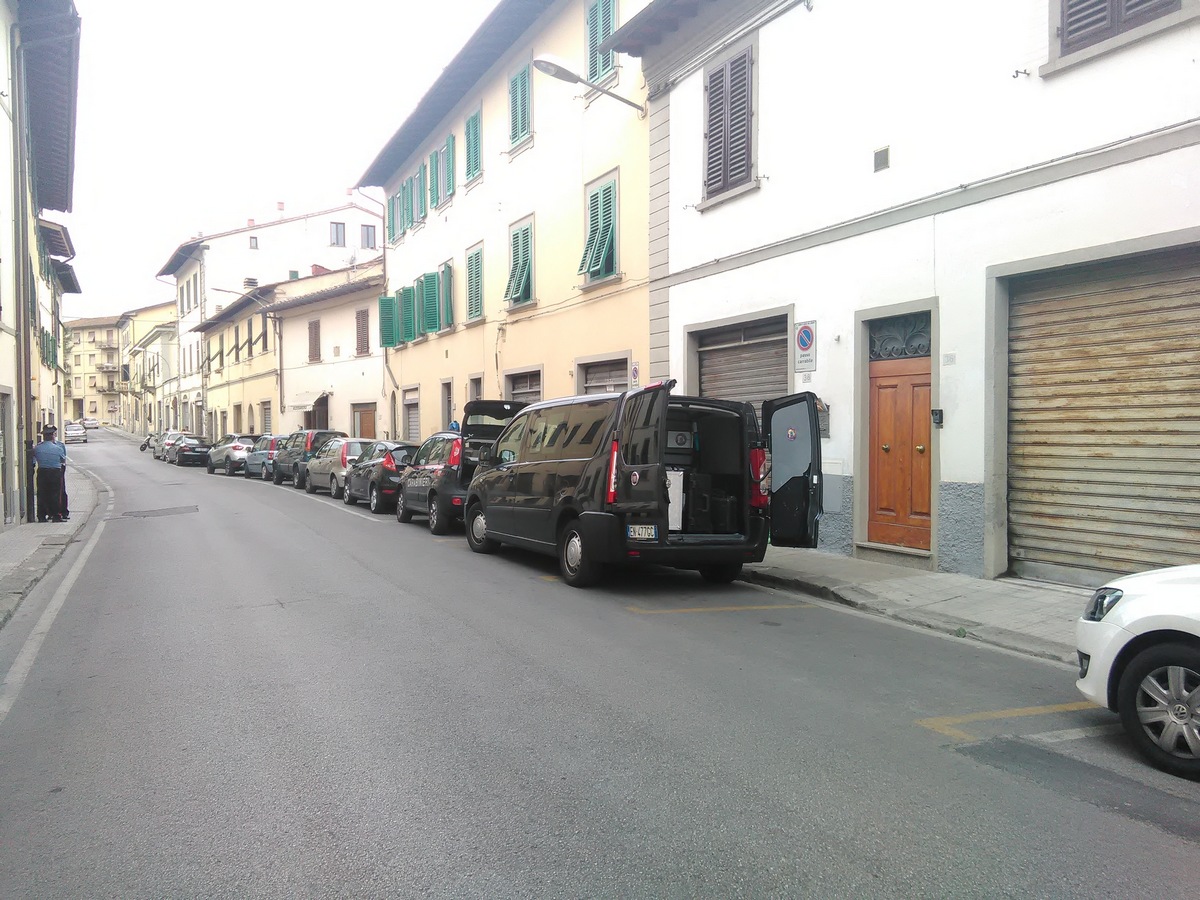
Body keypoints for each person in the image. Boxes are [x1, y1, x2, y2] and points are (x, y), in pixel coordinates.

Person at [32, 425, 67, 522]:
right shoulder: (58, 448)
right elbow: (62, 460)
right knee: (55, 494)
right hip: (55, 472)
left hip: (42, 471)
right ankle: (56, 515)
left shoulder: (37, 448)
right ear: (52, 436)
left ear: (43, 436)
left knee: (42, 494)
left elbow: (34, 460)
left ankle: (41, 516)